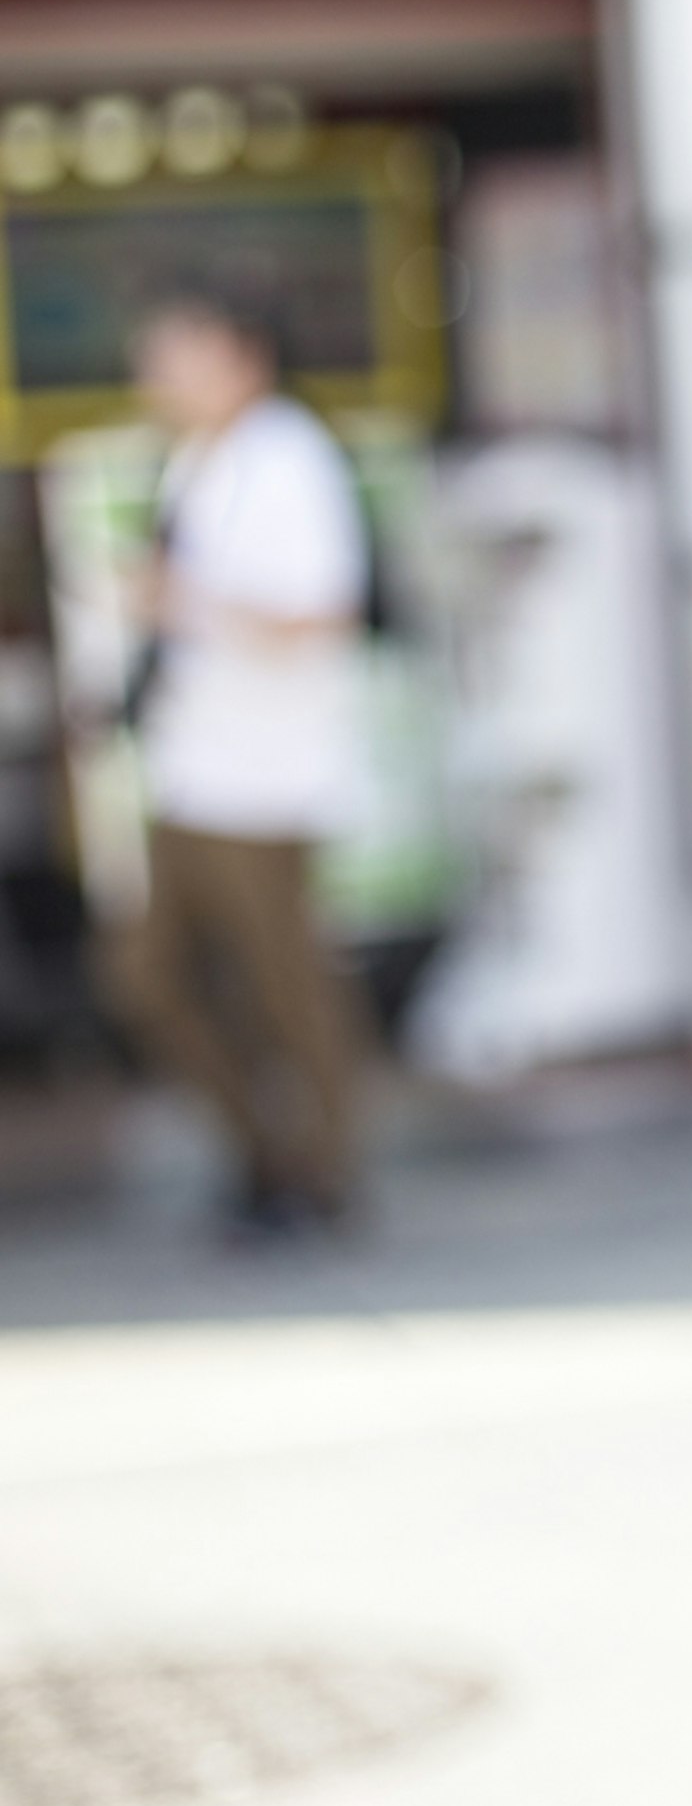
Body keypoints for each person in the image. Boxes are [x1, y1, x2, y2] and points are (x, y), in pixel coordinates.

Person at [100, 286, 372, 1240]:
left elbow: (322, 612)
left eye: (182, 353)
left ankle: (322, 1173)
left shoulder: (289, 459)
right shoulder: (193, 462)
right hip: (189, 769)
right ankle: (266, 1152)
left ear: (244, 357)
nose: (161, 375)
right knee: (151, 976)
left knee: (286, 985)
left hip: (265, 777)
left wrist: (187, 602)